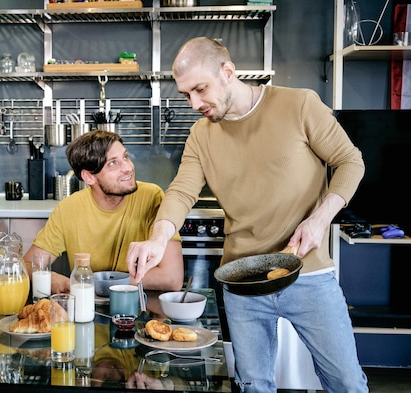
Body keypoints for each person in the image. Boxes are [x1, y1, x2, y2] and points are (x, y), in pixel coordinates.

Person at [126, 37, 369, 392]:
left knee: (346, 382)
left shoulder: (299, 104)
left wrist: (321, 218)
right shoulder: (200, 135)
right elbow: (181, 191)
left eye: (200, 89)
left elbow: (351, 161)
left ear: (228, 72)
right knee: (253, 386)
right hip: (240, 281)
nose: (194, 103)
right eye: (185, 95)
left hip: (308, 271)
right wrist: (158, 238)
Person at [23, 129, 183, 294]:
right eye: (113, 163)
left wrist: (96, 283)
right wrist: (53, 279)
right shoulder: (68, 209)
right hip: (88, 309)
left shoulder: (152, 196)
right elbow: (26, 265)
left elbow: (172, 278)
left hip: (141, 307)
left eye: (126, 157)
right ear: (89, 177)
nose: (128, 167)